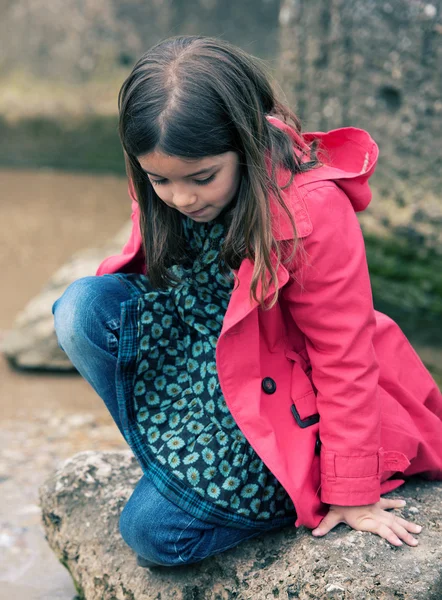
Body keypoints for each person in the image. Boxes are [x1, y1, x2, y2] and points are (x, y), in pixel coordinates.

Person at [52, 36, 442, 568]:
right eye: (159, 179)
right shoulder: (165, 174)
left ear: (244, 141)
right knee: (81, 310)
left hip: (283, 392)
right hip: (206, 358)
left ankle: (263, 481)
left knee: (152, 535)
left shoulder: (312, 209)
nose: (182, 199)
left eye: (202, 177)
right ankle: (175, 468)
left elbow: (344, 354)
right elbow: (146, 272)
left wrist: (351, 490)